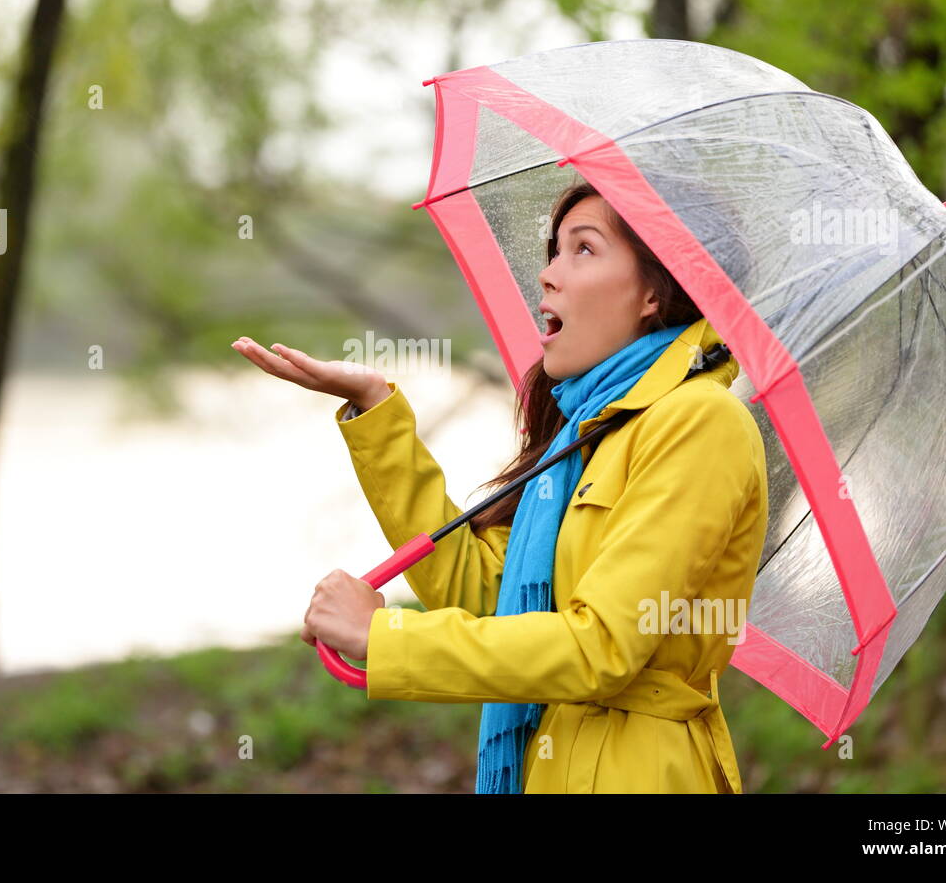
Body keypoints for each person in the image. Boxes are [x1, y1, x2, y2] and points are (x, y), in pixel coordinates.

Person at [230, 181, 768, 793]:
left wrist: (385, 636)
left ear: (654, 290)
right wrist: (374, 409)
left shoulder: (699, 422)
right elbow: (490, 598)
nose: (549, 275)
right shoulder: (593, 432)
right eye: (554, 251)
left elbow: (601, 648)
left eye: (584, 250)